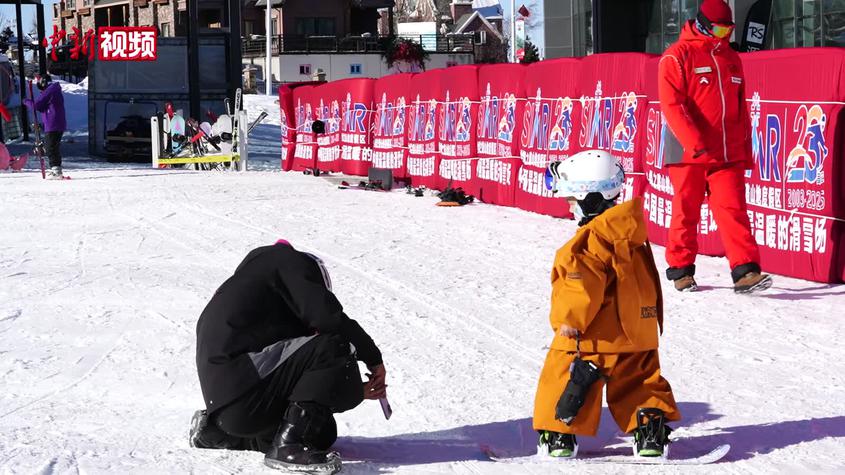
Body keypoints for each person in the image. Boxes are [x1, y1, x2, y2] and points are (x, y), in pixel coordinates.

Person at [190, 240, 387, 474]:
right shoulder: (288, 260)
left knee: (320, 433)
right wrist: (373, 358)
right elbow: (328, 320)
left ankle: (218, 433)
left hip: (231, 408)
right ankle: (289, 447)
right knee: (334, 344)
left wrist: (350, 389)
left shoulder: (254, 292)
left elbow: (296, 373)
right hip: (243, 387)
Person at [534, 150, 680, 459]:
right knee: (640, 383)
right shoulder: (631, 232)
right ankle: (649, 434)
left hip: (594, 335)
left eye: (571, 201)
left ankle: (559, 435)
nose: (569, 208)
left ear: (589, 199)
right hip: (637, 333)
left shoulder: (587, 242)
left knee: (564, 373)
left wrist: (569, 319)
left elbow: (580, 284)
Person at [658, 0, 772, 294]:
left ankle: (745, 271)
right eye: (720, 29)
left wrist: (744, 149)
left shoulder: (732, 58)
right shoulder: (676, 56)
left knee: (733, 209)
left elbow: (740, 109)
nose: (724, 35)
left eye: (728, 30)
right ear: (703, 24)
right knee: (686, 211)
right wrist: (694, 143)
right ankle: (681, 270)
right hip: (687, 152)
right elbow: (672, 106)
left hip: (725, 152)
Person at [23, 74, 66, 180]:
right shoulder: (53, 90)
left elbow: (37, 105)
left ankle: (56, 170)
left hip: (53, 123)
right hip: (56, 123)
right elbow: (42, 106)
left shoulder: (50, 90)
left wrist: (26, 101)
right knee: (52, 146)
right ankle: (56, 168)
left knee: (51, 147)